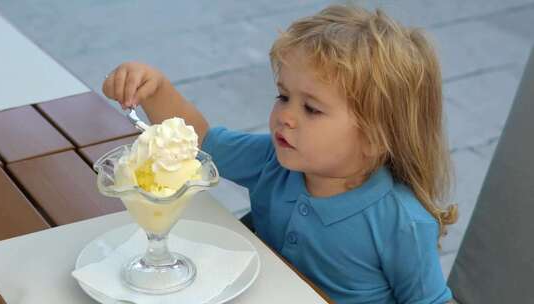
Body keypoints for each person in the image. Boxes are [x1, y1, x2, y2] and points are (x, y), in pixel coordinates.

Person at [103, 4, 458, 303]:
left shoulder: (402, 222)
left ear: (376, 138)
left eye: (312, 109)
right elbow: (202, 143)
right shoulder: (273, 160)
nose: (285, 116)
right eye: (284, 96)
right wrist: (155, 89)